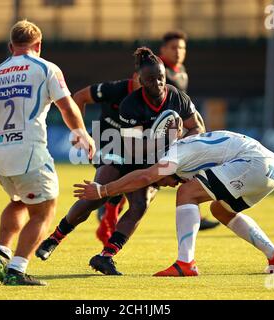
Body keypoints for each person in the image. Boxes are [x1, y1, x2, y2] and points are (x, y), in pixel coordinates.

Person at [35, 47, 205, 275]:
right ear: (140, 81)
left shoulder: (177, 97)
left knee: (140, 204)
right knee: (96, 196)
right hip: (122, 153)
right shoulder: (130, 104)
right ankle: (55, 237)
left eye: (161, 78)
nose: (158, 83)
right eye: (151, 79)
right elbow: (134, 151)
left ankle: (105, 257)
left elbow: (197, 128)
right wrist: (163, 147)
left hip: (155, 159)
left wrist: (178, 146)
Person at [0, 19, 95, 286]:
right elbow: (67, 107)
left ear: (11, 46)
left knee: (21, 201)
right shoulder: (46, 68)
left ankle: (2, 251)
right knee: (45, 211)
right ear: (38, 45)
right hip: (29, 152)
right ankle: (17, 269)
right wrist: (81, 132)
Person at [74, 122, 274, 277]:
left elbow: (146, 176)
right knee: (220, 210)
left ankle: (185, 263)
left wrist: (103, 190)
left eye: (162, 182)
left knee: (187, 193)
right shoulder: (188, 148)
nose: (166, 184)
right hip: (273, 168)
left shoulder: (175, 152)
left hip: (253, 163)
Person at [160, 30, 220, 231]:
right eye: (174, 48)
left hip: (179, 133)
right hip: (158, 134)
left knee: (191, 171)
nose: (178, 52)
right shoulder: (157, 72)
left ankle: (195, 212)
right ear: (163, 49)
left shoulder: (181, 71)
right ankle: (112, 202)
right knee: (146, 178)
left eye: (182, 48)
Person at [71, 73, 141, 245]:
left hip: (127, 151)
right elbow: (79, 97)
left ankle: (106, 220)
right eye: (145, 79)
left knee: (130, 183)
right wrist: (79, 132)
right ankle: (106, 218)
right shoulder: (115, 89)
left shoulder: (152, 97)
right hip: (101, 145)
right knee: (115, 174)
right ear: (136, 76)